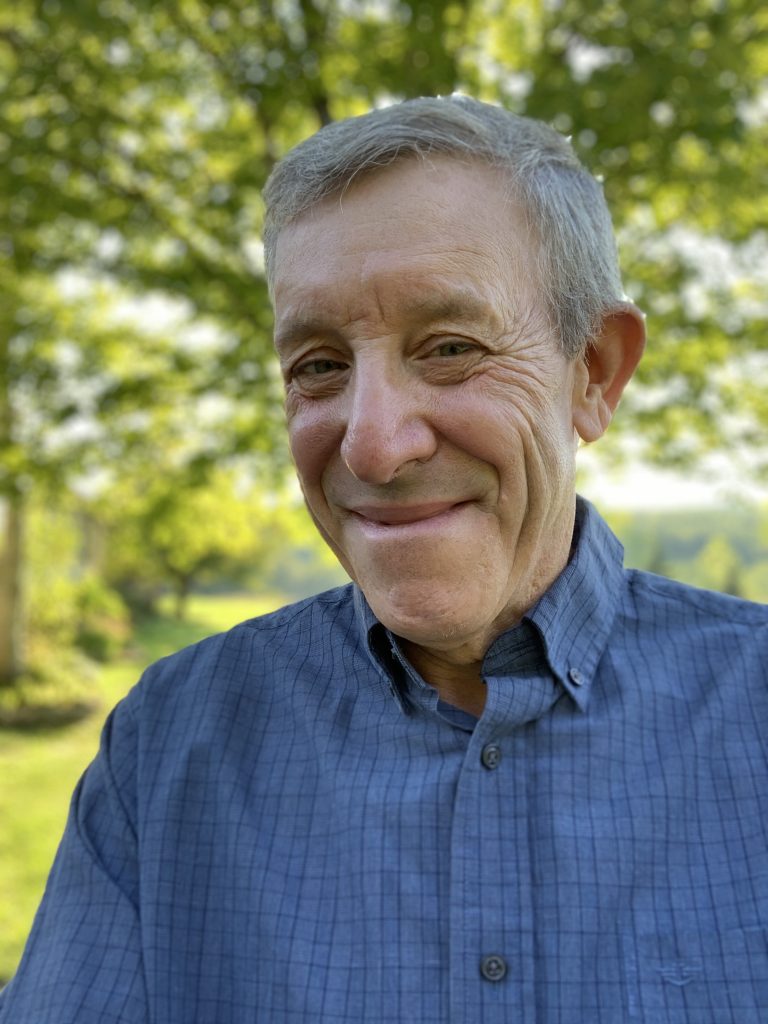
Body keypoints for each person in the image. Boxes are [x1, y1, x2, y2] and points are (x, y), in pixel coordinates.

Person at [1, 95, 767, 1023]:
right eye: (319, 365)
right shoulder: (165, 751)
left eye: (450, 348)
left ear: (594, 372)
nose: (372, 446)